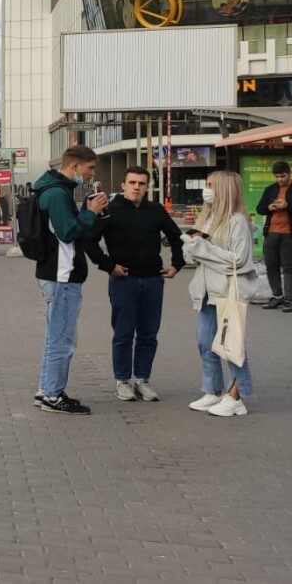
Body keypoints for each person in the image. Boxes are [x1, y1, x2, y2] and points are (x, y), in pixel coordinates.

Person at [84, 166, 185, 402]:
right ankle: (122, 381)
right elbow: (89, 241)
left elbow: (176, 236)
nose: (137, 187)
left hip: (153, 280)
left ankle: (142, 380)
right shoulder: (110, 210)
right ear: (123, 185)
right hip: (124, 281)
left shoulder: (156, 210)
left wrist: (177, 264)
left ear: (147, 186)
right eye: (132, 183)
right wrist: (109, 266)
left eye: (141, 183)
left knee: (149, 333)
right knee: (123, 333)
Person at [32, 145, 108, 415]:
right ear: (75, 166)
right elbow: (68, 233)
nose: (91, 174)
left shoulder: (54, 190)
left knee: (56, 337)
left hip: (56, 273)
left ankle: (47, 390)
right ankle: (52, 395)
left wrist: (89, 212)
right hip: (61, 276)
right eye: (90, 168)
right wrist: (91, 212)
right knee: (62, 340)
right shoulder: (56, 194)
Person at [182, 171, 257, 417]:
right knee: (206, 343)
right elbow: (192, 255)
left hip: (227, 292)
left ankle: (236, 395)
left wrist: (202, 247)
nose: (207, 190)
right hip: (205, 292)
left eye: (212, 185)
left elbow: (239, 260)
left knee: (230, 343)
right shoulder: (207, 218)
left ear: (225, 189)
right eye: (207, 184)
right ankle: (212, 389)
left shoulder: (237, 221)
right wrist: (191, 246)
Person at [254, 161, 292, 309]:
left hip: (288, 234)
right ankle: (277, 296)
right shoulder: (270, 189)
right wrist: (269, 207)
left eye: (283, 176)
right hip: (271, 233)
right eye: (277, 176)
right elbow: (260, 208)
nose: (280, 179)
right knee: (271, 265)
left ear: (289, 173)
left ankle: (289, 299)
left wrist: (287, 205)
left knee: (289, 267)